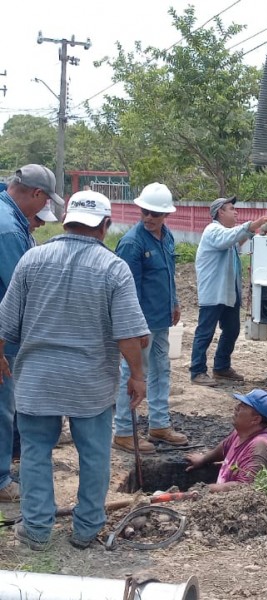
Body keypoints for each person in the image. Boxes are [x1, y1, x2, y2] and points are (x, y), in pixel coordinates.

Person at [0, 190, 149, 551]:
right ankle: (85, 530)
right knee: (94, 453)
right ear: (105, 225)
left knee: (36, 450)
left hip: (37, 378)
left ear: (66, 220)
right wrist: (137, 375)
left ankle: (36, 529)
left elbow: (4, 324)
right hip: (90, 381)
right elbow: (130, 335)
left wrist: (1, 357)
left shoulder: (32, 259)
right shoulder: (112, 268)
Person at [0, 165, 63, 504]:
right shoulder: (8, 230)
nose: (42, 212)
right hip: (4, 335)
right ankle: (0, 481)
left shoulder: (7, 217)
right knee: (2, 406)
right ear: (37, 194)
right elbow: (22, 290)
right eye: (44, 203)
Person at [112, 183, 188, 453]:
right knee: (132, 374)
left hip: (161, 319)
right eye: (145, 212)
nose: (148, 218)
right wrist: (134, 327)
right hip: (141, 324)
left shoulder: (166, 237)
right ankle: (122, 431)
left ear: (165, 215)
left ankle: (159, 423)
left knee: (161, 370)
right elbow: (125, 289)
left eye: (154, 214)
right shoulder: (132, 243)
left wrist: (175, 302)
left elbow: (168, 273)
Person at [189, 197, 267, 387]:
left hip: (227, 293)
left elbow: (236, 239)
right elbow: (229, 239)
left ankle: (221, 367)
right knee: (205, 332)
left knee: (232, 329)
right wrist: (252, 224)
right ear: (220, 213)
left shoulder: (225, 233)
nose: (236, 212)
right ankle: (197, 370)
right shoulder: (213, 231)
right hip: (213, 292)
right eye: (231, 209)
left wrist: (255, 230)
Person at [185, 388, 267, 492]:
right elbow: (224, 447)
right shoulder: (242, 433)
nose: (236, 407)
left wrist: (206, 489)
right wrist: (204, 459)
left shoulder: (260, 447)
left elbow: (244, 487)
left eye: (243, 406)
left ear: (256, 419)